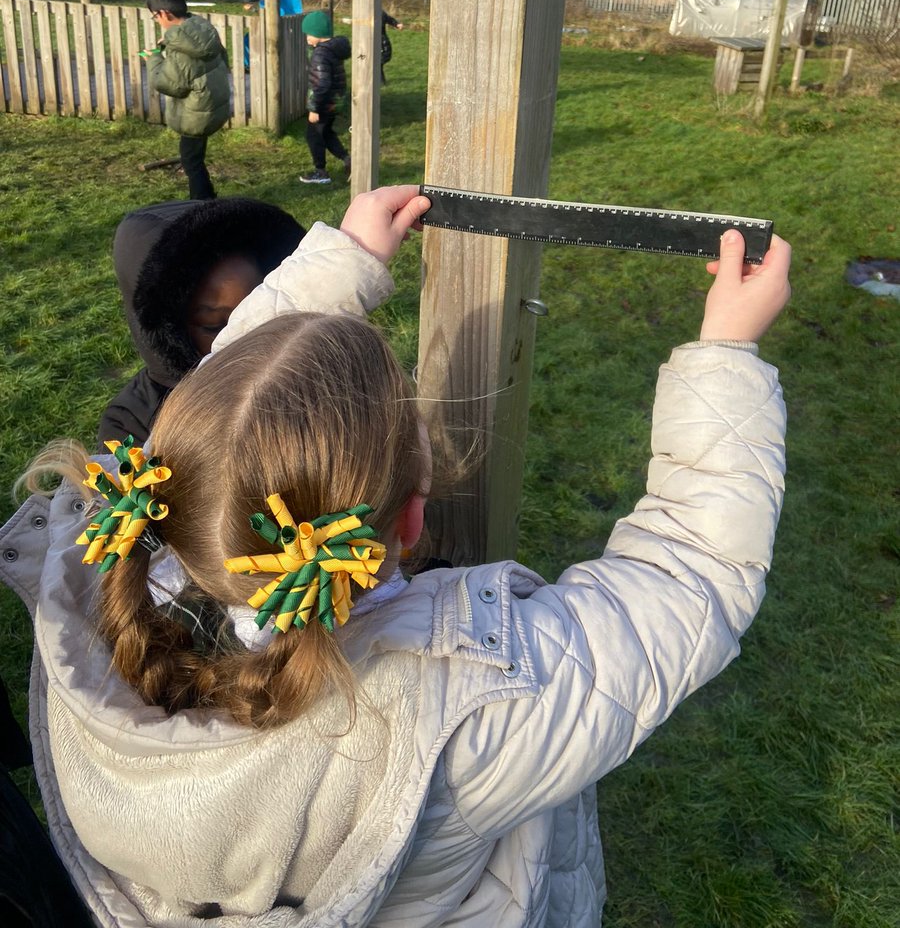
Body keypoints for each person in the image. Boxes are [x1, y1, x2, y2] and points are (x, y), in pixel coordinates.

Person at [1, 190, 791, 926]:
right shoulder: (468, 713)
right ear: (414, 516)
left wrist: (339, 261)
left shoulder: (110, 588)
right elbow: (689, 571)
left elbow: (230, 403)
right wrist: (726, 351)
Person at [99, 197, 305, 447]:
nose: (249, 335)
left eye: (259, 309)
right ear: (170, 334)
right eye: (214, 325)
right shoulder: (133, 424)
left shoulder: (304, 377)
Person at [141, 0, 231, 200]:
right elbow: (220, 60)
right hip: (212, 107)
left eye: (155, 17)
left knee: (191, 162)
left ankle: (202, 205)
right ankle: (206, 199)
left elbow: (169, 84)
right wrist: (169, 46)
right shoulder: (203, 29)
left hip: (194, 116)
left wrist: (152, 58)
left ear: (164, 13)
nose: (157, 21)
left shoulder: (181, 50)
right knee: (195, 156)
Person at [299, 8, 351, 185]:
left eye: (308, 35)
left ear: (318, 34)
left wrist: (314, 108)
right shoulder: (332, 49)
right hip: (334, 101)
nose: (307, 39)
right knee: (327, 133)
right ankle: (348, 160)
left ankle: (320, 172)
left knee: (313, 135)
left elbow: (321, 84)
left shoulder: (321, 53)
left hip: (323, 103)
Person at [380, 10, 404, 84]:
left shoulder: (379, 13)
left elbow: (388, 19)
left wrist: (397, 24)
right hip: (368, 41)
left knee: (378, 62)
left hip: (381, 41)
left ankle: (380, 82)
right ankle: (380, 81)